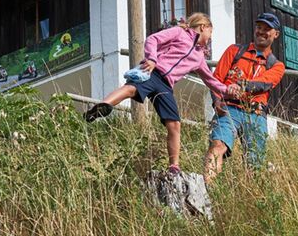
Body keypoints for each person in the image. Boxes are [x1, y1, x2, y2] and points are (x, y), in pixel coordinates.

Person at [85, 12, 240, 173]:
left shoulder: (199, 57)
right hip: (154, 72)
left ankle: (174, 166)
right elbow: (153, 39)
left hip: (166, 86)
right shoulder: (179, 32)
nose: (210, 38)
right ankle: (104, 105)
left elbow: (210, 80)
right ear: (203, 27)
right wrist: (152, 58)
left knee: (174, 124)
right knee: (132, 89)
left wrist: (227, 90)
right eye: (210, 32)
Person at [203, 12, 286, 185]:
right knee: (217, 146)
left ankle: (250, 202)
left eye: (267, 29)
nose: (261, 32)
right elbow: (217, 79)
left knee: (255, 165)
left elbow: (264, 83)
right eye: (259, 27)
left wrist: (240, 86)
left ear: (276, 34)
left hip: (256, 114)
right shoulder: (234, 51)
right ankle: (206, 191)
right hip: (228, 109)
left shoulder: (277, 66)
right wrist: (217, 101)